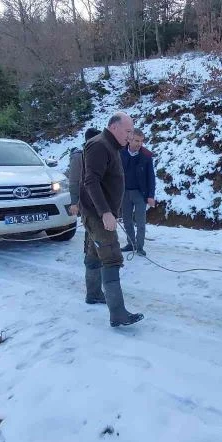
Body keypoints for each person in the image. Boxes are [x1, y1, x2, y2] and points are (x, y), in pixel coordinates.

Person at [80, 112, 144, 327]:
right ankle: (118, 313)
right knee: (112, 257)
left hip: (99, 212)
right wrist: (106, 212)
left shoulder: (111, 146)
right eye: (127, 131)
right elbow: (91, 181)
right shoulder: (99, 145)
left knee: (94, 253)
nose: (130, 136)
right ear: (114, 127)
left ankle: (93, 293)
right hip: (98, 214)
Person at [119, 128, 156, 256]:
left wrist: (151, 195)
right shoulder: (120, 153)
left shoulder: (146, 156)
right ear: (129, 139)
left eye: (141, 141)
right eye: (136, 141)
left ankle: (140, 247)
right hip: (124, 193)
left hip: (140, 193)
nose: (139, 144)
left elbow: (151, 177)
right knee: (127, 220)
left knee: (140, 222)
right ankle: (131, 244)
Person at [68, 128, 101, 217]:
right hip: (86, 201)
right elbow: (74, 182)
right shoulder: (78, 157)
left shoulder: (102, 155)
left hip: (101, 201)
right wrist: (74, 202)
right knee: (92, 227)